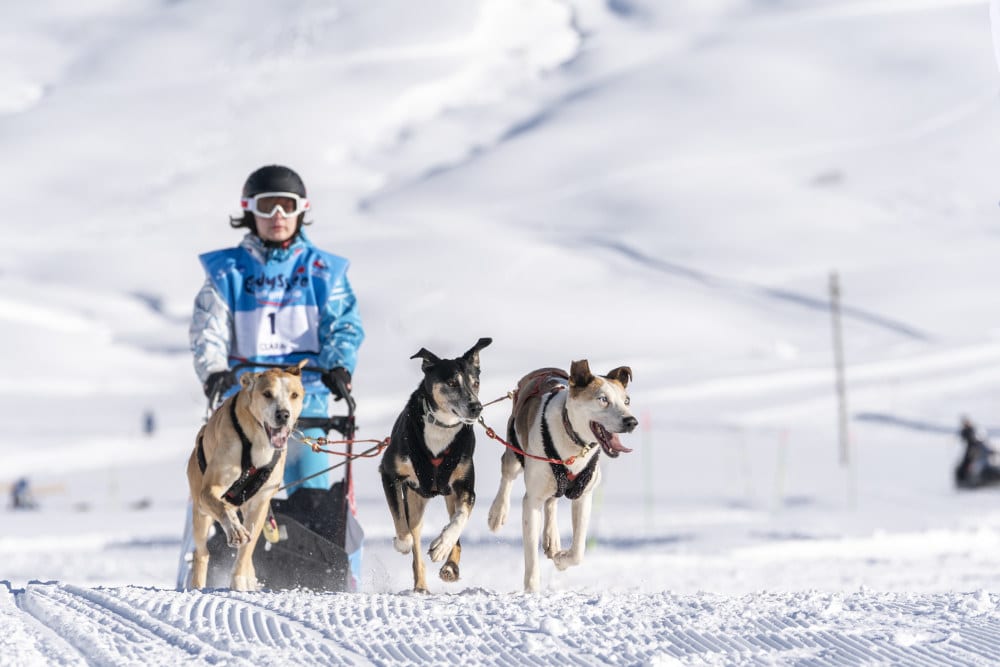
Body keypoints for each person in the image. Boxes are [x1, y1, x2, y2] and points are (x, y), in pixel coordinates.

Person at [189, 164, 365, 490]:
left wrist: (340, 366)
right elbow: (207, 330)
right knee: (226, 493)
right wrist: (213, 371)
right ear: (250, 210)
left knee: (314, 495)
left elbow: (343, 327)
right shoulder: (227, 272)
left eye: (288, 205)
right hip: (242, 406)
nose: (278, 215)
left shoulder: (324, 271)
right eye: (268, 206)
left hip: (305, 404)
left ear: (302, 210)